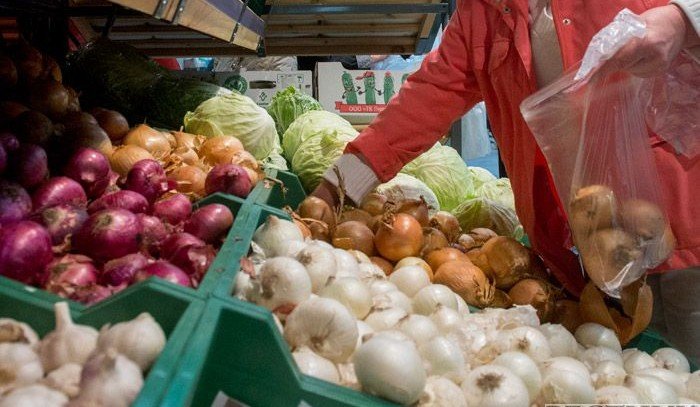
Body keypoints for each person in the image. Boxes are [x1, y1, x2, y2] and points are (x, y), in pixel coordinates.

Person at [312, 1, 700, 362]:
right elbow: (429, 95)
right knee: (635, 378)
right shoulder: (483, 10)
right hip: (589, 253)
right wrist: (338, 185)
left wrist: (682, 19)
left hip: (684, 228)